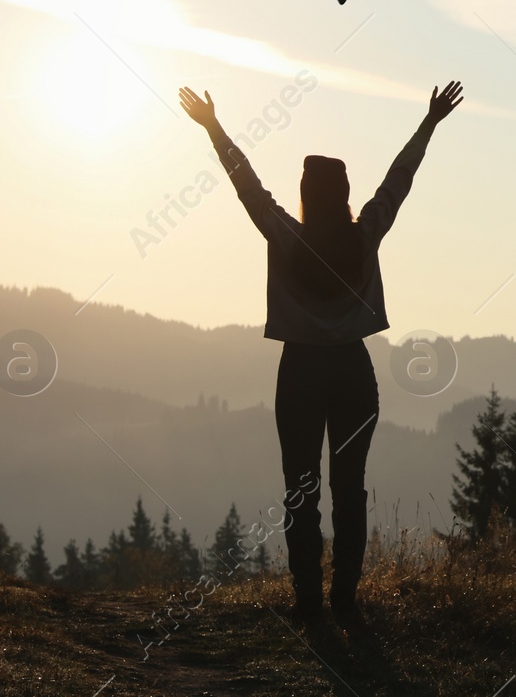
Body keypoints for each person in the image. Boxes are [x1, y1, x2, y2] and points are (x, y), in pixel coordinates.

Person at [179, 80, 464, 620]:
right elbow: (397, 182)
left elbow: (248, 187)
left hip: (301, 370)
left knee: (300, 489)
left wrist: (213, 126)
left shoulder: (285, 236)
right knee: (349, 489)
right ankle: (345, 600)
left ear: (308, 196)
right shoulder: (367, 234)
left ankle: (308, 598)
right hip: (354, 371)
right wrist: (429, 123)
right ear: (346, 194)